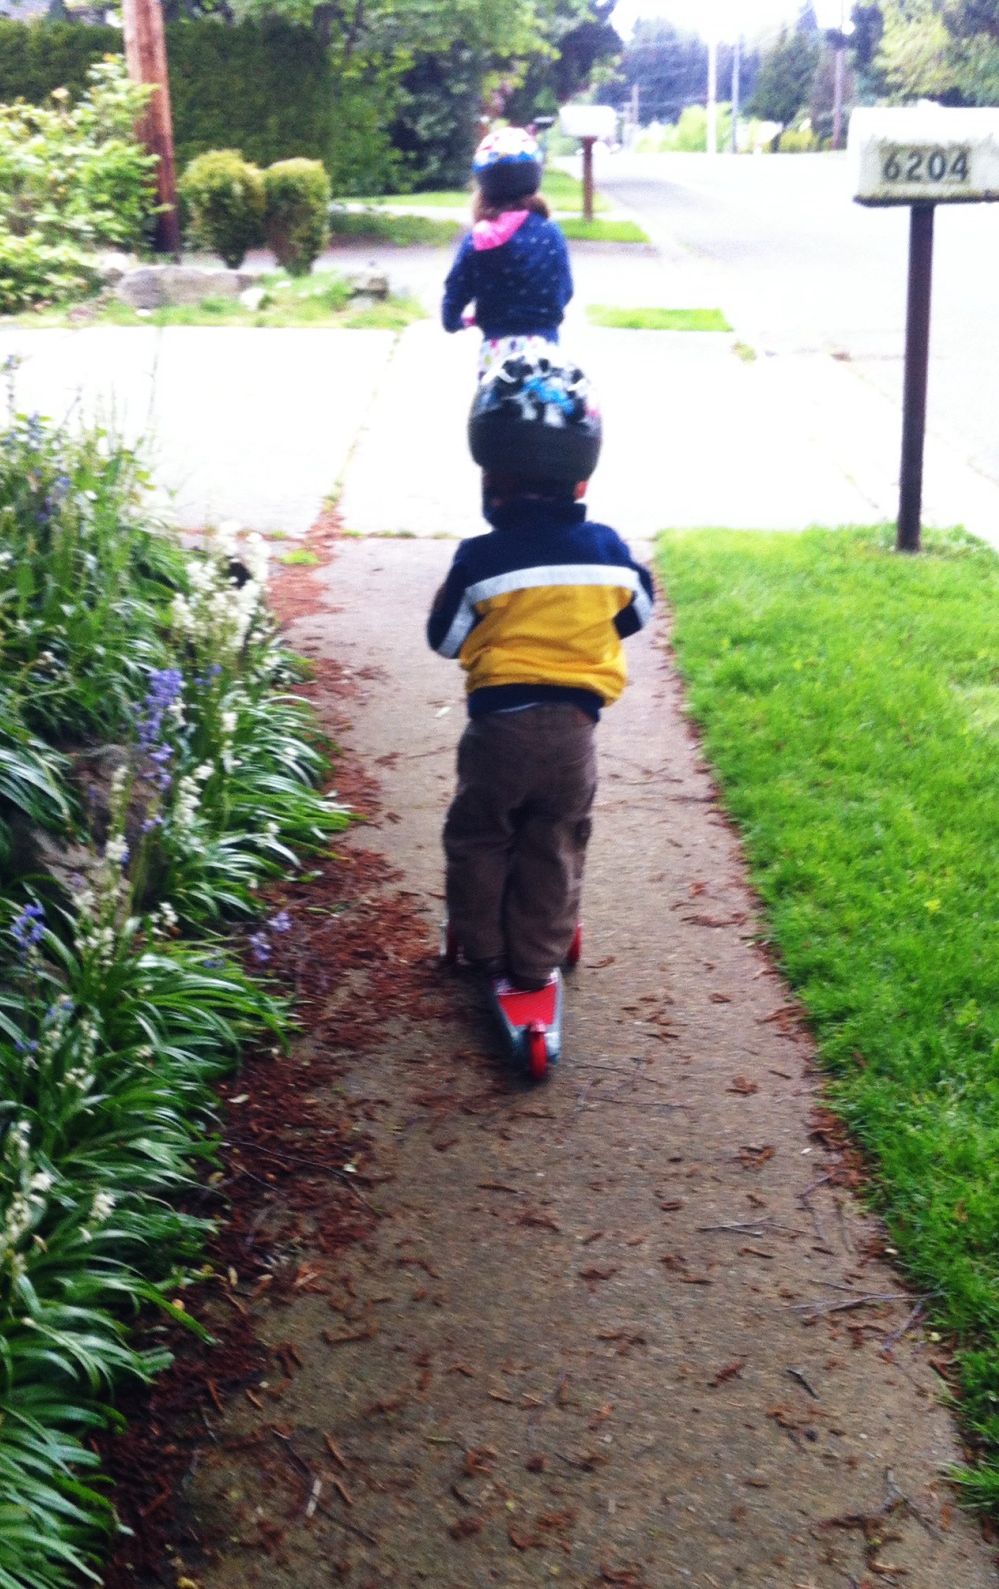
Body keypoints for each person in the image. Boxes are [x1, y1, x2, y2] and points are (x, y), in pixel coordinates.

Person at [427, 347, 653, 1007]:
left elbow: (445, 639)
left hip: (498, 732)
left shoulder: (479, 558)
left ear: (491, 484)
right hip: (574, 734)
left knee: (481, 833)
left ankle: (484, 947)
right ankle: (534, 962)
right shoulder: (608, 550)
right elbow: (637, 611)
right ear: (580, 484)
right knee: (554, 840)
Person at [441, 126, 574, 372]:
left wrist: (453, 320)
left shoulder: (477, 240)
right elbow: (565, 290)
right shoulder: (551, 234)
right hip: (544, 348)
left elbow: (456, 290)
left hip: (496, 350)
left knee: (494, 398)